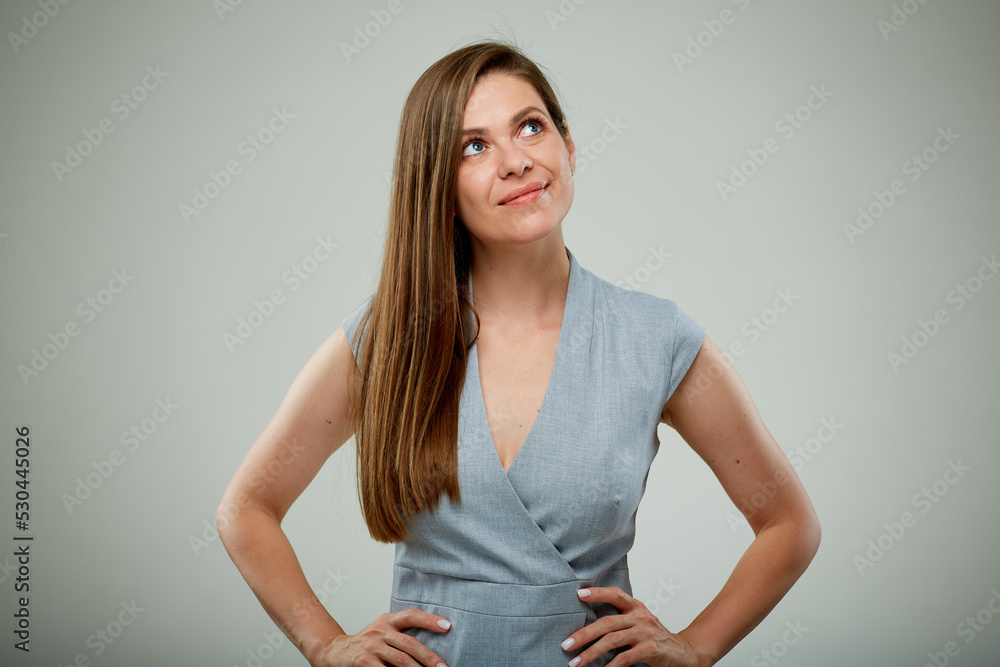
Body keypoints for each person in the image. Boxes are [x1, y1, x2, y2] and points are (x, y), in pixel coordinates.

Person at [217, 39, 821, 667]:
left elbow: (789, 522)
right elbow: (246, 508)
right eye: (473, 147)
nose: (515, 161)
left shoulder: (655, 337)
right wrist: (323, 644)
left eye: (530, 127)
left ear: (569, 146)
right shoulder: (390, 339)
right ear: (436, 185)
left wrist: (695, 647)